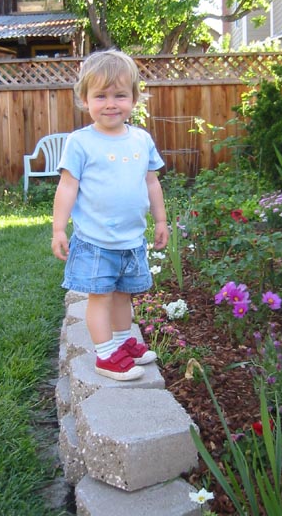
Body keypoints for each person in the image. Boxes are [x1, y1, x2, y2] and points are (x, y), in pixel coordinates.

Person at [51, 50, 169, 381]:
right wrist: (59, 229)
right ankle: (105, 355)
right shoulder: (81, 142)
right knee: (101, 297)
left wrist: (160, 221)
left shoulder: (141, 140)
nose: (111, 104)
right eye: (100, 96)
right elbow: (67, 187)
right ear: (84, 99)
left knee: (123, 295)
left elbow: (152, 182)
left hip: (131, 240)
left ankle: (120, 343)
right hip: (95, 241)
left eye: (120, 95)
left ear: (134, 98)